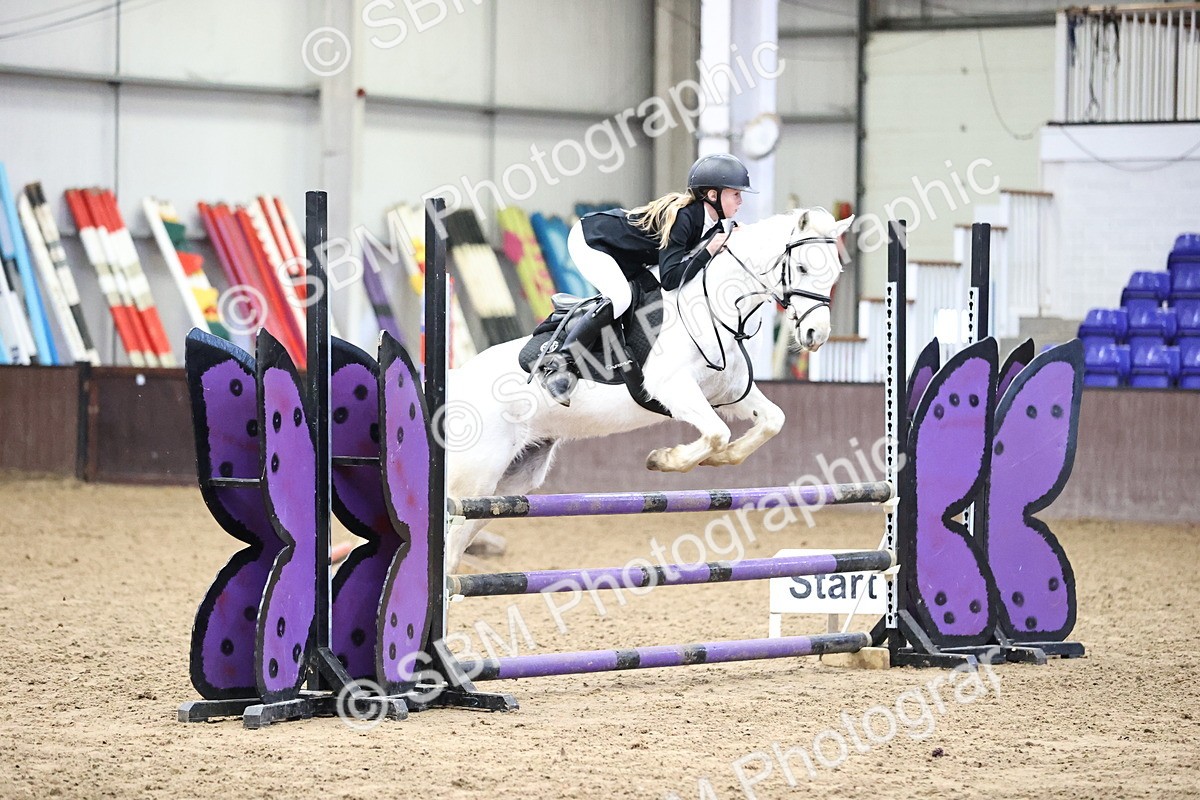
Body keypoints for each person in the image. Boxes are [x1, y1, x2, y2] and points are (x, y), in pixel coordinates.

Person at [541, 153, 755, 405]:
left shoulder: (716, 225)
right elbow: (672, 278)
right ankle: (559, 363)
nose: (741, 201)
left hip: (629, 255)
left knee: (645, 292)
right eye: (736, 194)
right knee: (620, 297)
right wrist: (709, 250)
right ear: (712, 195)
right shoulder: (685, 218)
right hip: (593, 241)